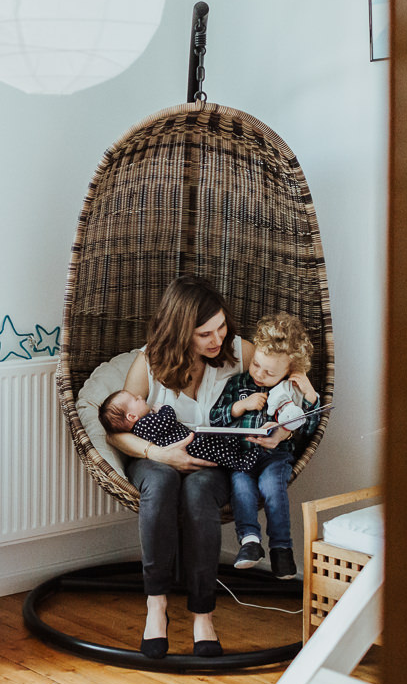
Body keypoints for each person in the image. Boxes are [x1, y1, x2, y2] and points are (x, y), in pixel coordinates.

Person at [98, 275, 295, 659]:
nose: (217, 339)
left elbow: (287, 377)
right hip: (155, 457)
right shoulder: (149, 362)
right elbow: (115, 434)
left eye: (221, 327)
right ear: (180, 331)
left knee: (199, 490)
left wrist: (281, 433)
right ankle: (156, 608)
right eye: (205, 333)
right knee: (161, 484)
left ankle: (203, 614)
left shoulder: (239, 351)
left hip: (215, 459)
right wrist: (159, 454)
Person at [208, 312, 322, 579]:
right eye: (257, 364)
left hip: (275, 457)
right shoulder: (239, 384)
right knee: (241, 488)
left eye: (270, 372)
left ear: (288, 370)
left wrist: (309, 395)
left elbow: (308, 429)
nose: (259, 374)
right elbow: (215, 417)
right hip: (240, 457)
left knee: (273, 489)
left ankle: (282, 550)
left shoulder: (291, 391)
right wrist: (240, 406)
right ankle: (249, 542)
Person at [98, 388, 262, 472]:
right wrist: (164, 408)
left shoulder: (140, 429)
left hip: (189, 446)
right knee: (216, 447)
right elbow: (168, 420)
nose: (141, 397)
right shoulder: (144, 424)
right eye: (136, 399)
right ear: (132, 417)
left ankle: (238, 454)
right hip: (190, 448)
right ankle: (243, 462)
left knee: (218, 444)